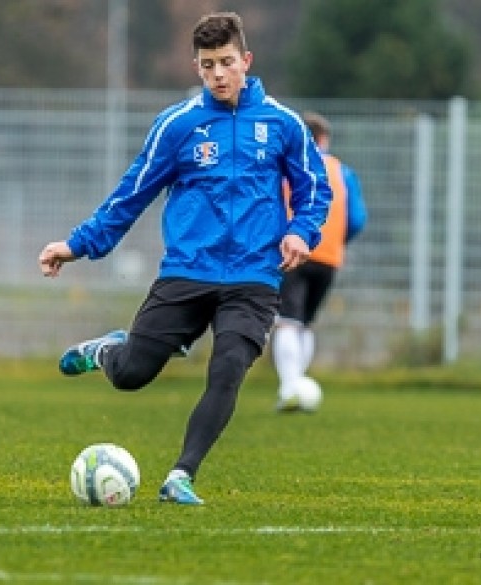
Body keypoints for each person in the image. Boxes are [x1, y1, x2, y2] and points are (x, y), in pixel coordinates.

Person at [38, 11, 331, 505]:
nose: (218, 74)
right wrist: (78, 245)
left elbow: (315, 190)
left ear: (246, 61)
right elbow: (132, 192)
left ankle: (181, 475)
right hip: (188, 271)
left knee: (228, 368)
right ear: (197, 67)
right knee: (131, 375)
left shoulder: (283, 124)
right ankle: (107, 351)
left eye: (227, 62)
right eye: (208, 65)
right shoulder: (177, 125)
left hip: (254, 276)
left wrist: (301, 233)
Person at [272, 111, 367, 411]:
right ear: (324, 139)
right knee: (306, 323)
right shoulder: (343, 172)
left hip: (293, 252)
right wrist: (337, 240)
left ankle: (290, 388)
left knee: (288, 322)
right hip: (329, 258)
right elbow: (357, 219)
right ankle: (298, 384)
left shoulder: (286, 167)